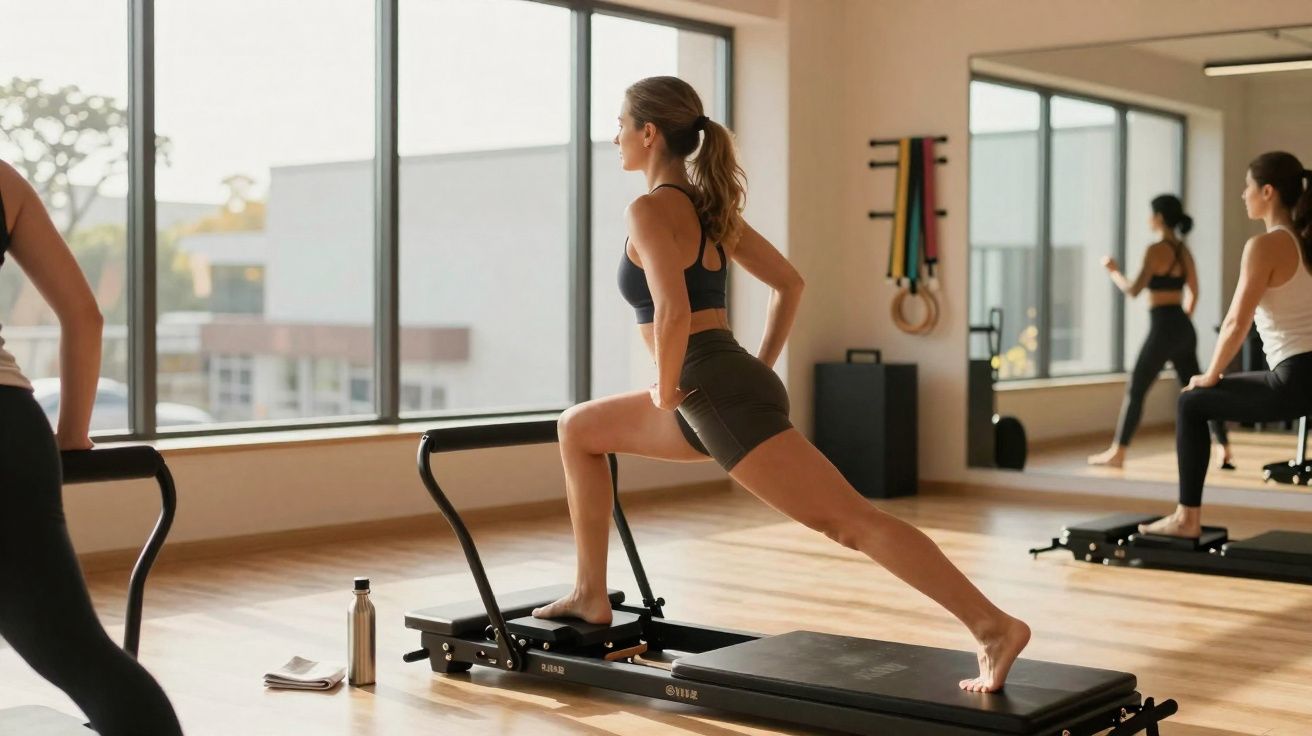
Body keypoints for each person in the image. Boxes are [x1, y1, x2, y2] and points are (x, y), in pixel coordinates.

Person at [530, 76, 1029, 692]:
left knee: (851, 522)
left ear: (649, 132)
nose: (615, 138)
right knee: (578, 428)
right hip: (722, 384)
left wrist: (664, 389)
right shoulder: (711, 210)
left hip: (703, 388)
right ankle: (589, 595)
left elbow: (673, 311)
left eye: (621, 125)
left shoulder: (649, 208)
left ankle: (992, 626)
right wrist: (759, 367)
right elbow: (789, 283)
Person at [0, 160, 183, 735]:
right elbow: (84, 314)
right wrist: (72, 436)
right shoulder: (3, 180)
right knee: (79, 652)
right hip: (9, 426)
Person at [1140, 152, 1312, 538]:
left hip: (1295, 380)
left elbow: (1236, 321)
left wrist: (1211, 374)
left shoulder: (1265, 246)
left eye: (1248, 187)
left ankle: (1187, 519)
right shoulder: (1306, 242)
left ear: (1267, 192)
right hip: (1306, 375)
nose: (1242, 194)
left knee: (1190, 402)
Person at [1089, 195, 1233, 470]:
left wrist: (1113, 271)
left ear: (1159, 217)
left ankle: (1118, 452)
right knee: (1199, 390)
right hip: (1182, 325)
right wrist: (1182, 322)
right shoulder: (1183, 251)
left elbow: (1133, 290)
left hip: (1162, 326)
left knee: (1137, 388)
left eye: (1150, 214)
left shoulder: (1154, 250)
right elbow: (1195, 292)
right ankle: (1224, 449)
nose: (1148, 219)